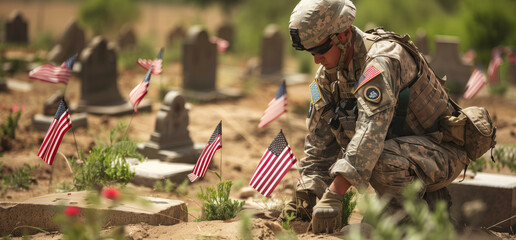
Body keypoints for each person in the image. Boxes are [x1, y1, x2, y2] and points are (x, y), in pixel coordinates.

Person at [283, 0, 471, 233]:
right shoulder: (327, 77)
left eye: (320, 50)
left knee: (381, 161)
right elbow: (318, 148)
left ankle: (409, 224)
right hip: (403, 156)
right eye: (311, 52)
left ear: (342, 36)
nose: (316, 60)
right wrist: (307, 193)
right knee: (379, 159)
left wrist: (334, 193)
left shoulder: (382, 59)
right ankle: (423, 209)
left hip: (441, 151)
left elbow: (371, 131)